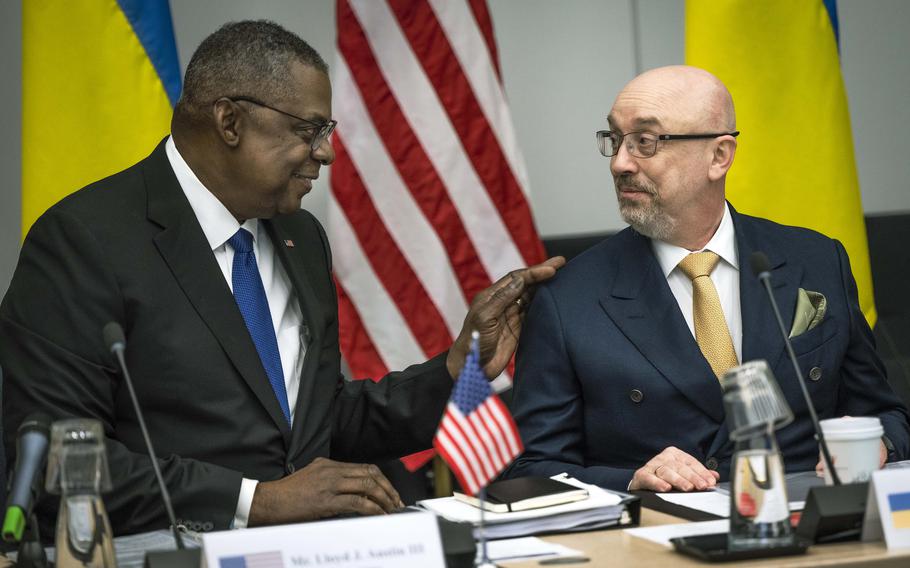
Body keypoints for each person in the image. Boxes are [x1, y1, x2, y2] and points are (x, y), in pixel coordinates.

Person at [0, 21, 564, 536]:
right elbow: (58, 456)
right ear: (229, 121)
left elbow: (322, 421)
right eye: (309, 129)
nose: (327, 153)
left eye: (328, 129)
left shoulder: (299, 237)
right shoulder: (85, 241)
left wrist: (455, 367)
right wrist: (256, 501)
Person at [505, 65, 909, 493]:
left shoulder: (816, 260)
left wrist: (877, 443)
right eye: (616, 140)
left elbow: (886, 415)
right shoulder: (570, 298)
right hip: (659, 541)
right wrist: (632, 479)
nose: (621, 163)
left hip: (808, 527)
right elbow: (534, 467)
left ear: (719, 156)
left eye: (646, 141)